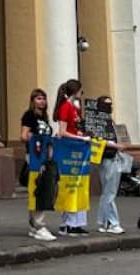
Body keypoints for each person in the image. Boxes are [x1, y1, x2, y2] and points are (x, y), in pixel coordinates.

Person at [51, 80, 91, 236]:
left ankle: (78, 222)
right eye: (81, 91)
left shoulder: (75, 109)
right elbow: (62, 131)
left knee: (79, 186)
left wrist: (81, 135)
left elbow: (75, 128)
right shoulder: (66, 107)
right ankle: (68, 223)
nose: (82, 95)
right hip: (69, 150)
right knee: (70, 186)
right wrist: (80, 139)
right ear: (76, 91)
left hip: (78, 151)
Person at [19, 88, 58, 241]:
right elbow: (23, 136)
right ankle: (39, 225)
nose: (42, 101)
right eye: (38, 98)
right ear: (32, 101)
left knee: (39, 189)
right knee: (39, 189)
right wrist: (37, 138)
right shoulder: (29, 116)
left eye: (44, 98)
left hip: (45, 157)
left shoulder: (45, 117)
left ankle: (33, 225)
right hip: (34, 157)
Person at [93, 96, 127, 234]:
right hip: (107, 156)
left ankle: (103, 222)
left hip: (112, 156)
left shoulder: (109, 121)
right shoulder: (100, 122)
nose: (110, 107)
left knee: (107, 191)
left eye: (111, 104)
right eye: (107, 105)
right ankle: (113, 223)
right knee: (110, 192)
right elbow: (98, 139)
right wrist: (116, 145)